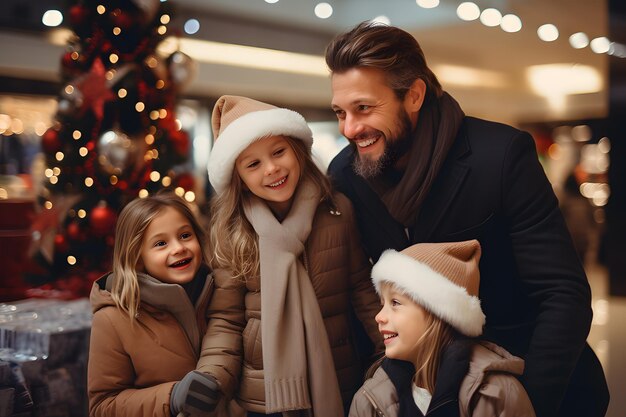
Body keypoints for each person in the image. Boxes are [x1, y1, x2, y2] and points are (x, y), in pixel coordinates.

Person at [325, 21, 608, 417]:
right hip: (423, 392)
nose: (350, 129)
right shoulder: (345, 174)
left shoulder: (500, 155)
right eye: (340, 112)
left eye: (364, 108)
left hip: (528, 381)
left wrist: (527, 404)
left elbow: (563, 294)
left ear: (415, 95)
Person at [199, 95, 382, 416]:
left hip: (340, 376)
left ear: (297, 151)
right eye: (253, 164)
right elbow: (226, 320)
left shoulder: (338, 211)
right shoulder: (233, 232)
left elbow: (361, 290)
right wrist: (210, 375)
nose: (271, 169)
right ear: (238, 177)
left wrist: (392, 354)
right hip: (263, 392)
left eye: (278, 152)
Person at [350, 239, 535, 417]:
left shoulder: (497, 395)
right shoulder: (368, 401)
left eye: (395, 302)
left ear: (438, 313)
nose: (379, 316)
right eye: (382, 304)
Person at [87, 193, 223, 417]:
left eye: (185, 235)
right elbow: (103, 405)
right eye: (161, 243)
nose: (179, 248)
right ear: (137, 257)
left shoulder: (219, 293)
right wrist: (171, 396)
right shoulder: (112, 319)